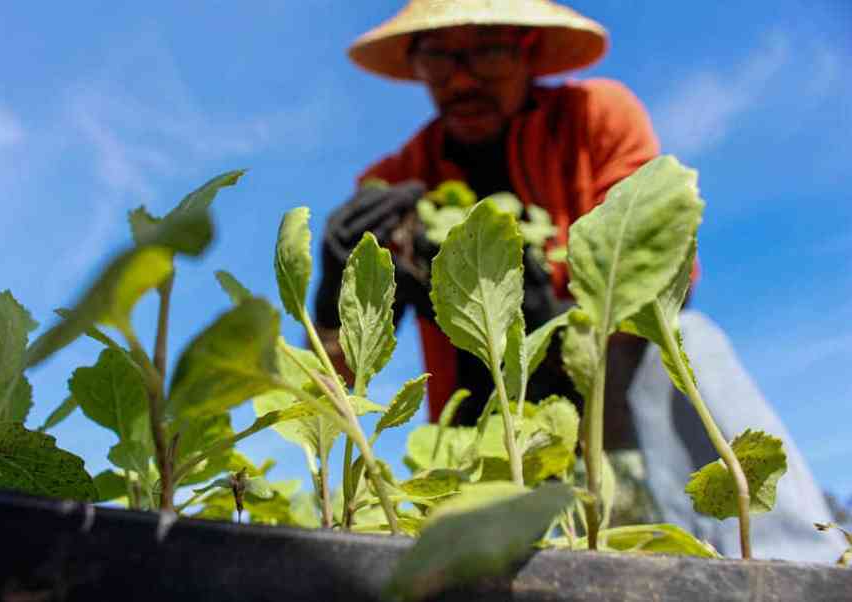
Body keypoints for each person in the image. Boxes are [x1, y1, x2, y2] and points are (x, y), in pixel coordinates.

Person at [314, 0, 846, 562]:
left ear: (529, 52)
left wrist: (554, 318)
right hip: (483, 423)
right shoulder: (399, 177)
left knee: (691, 338)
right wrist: (336, 297)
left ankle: (795, 565)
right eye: (439, 60)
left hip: (606, 391)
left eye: (488, 53)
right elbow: (344, 379)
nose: (463, 79)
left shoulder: (595, 117)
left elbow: (667, 273)